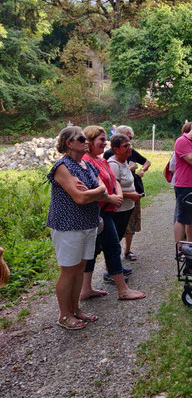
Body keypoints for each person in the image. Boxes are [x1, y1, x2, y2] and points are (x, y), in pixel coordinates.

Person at [47, 126, 108, 330]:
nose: (86, 142)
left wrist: (96, 190)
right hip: (68, 226)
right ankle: (64, 315)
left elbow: (104, 191)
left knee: (80, 268)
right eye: (81, 139)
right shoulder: (62, 166)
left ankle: (75, 309)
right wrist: (96, 191)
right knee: (69, 270)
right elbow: (80, 197)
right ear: (69, 143)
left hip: (88, 224)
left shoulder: (87, 166)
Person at [80, 126, 145, 301]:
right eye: (101, 139)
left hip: (105, 210)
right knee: (112, 247)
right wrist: (111, 198)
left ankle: (85, 290)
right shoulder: (87, 161)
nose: (105, 143)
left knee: (93, 250)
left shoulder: (100, 160)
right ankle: (122, 290)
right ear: (90, 141)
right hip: (99, 211)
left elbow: (113, 180)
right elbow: (95, 186)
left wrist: (116, 194)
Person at [104, 125, 151, 262]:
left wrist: (142, 171)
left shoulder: (128, 153)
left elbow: (147, 161)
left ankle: (126, 251)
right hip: (120, 200)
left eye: (130, 140)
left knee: (130, 224)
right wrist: (130, 169)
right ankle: (114, 261)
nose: (130, 145)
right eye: (126, 140)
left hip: (132, 193)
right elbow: (112, 183)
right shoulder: (111, 158)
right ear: (116, 147)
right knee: (117, 230)